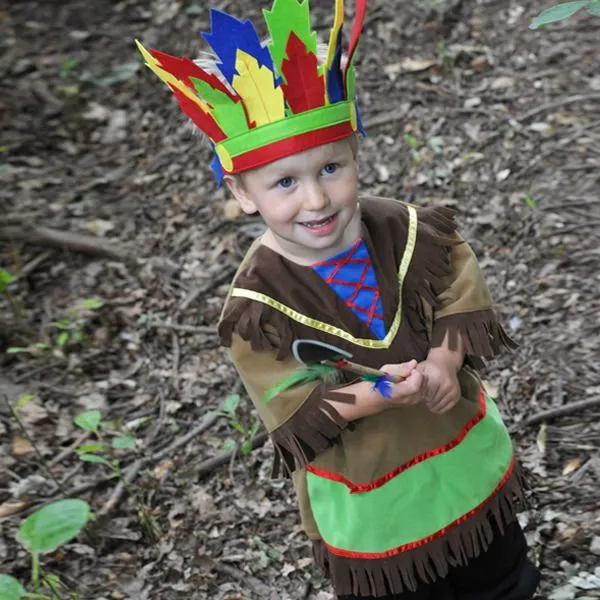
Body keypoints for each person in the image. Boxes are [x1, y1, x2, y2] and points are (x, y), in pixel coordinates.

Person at [136, 0, 541, 597]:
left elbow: (460, 285)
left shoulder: (406, 230)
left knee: (497, 571)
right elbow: (290, 400)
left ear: (355, 151)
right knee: (408, 581)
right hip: (372, 486)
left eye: (330, 168)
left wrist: (445, 361)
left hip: (455, 439)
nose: (316, 199)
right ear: (242, 192)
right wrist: (379, 391)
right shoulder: (257, 305)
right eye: (284, 182)